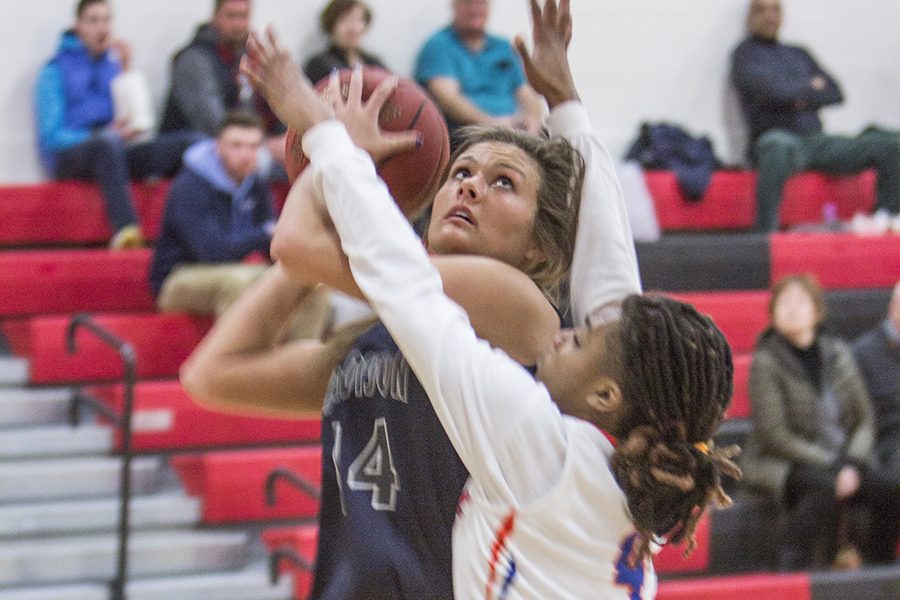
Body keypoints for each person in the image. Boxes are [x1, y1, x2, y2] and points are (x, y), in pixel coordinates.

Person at [184, 1, 736, 596]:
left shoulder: (518, 329)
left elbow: (340, 259)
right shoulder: (595, 448)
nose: (470, 183)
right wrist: (567, 105)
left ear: (542, 254)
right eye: (460, 171)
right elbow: (612, 274)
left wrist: (330, 144)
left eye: (504, 183)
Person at [739, 274, 898, 570]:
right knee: (823, 486)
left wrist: (852, 460)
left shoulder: (838, 353)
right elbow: (775, 436)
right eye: (784, 302)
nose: (792, 309)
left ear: (817, 311)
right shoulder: (765, 362)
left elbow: (864, 418)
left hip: (840, 458)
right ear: (772, 313)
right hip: (782, 461)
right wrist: (833, 463)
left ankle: (880, 568)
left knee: (889, 485)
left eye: (801, 301)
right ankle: (791, 570)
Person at [149, 110, 332, 335]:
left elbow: (272, 246)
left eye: (253, 146)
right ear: (218, 146)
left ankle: (298, 366)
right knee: (242, 281)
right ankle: (239, 366)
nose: (246, 154)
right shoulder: (190, 186)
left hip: (234, 268)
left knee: (310, 284)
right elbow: (211, 251)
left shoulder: (255, 184)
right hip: (178, 278)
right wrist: (264, 234)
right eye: (236, 146)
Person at [34, 0, 199, 249]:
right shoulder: (54, 70)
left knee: (189, 143)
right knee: (107, 144)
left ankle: (184, 230)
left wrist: (126, 68)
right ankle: (126, 228)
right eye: (93, 20)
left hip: (113, 152)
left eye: (106, 20)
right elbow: (51, 137)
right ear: (78, 26)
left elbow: (139, 121)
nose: (102, 28)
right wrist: (101, 135)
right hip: (71, 156)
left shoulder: (112, 67)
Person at [731, 0, 900, 232]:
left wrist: (791, 92)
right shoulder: (745, 55)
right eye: (761, 10)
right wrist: (809, 88)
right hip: (780, 140)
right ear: (750, 17)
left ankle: (885, 224)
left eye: (776, 9)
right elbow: (770, 92)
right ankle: (764, 237)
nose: (770, 16)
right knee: (776, 147)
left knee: (890, 144)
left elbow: (834, 92)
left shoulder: (799, 53)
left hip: (815, 140)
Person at [159, 0, 287, 178]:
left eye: (243, 16)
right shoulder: (193, 60)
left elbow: (268, 107)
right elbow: (212, 123)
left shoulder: (248, 57)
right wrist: (263, 146)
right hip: (199, 152)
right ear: (215, 18)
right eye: (231, 16)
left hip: (244, 144)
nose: (238, 25)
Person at [414, 0, 544, 137]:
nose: (475, 9)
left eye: (481, 2)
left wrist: (532, 120)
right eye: (468, 3)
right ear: (454, 5)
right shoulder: (438, 46)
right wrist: (493, 125)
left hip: (513, 133)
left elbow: (528, 92)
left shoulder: (504, 46)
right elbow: (448, 99)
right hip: (468, 136)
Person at [852, 281, 900, 565]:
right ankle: (878, 563)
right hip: (883, 442)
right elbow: (859, 417)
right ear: (892, 308)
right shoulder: (863, 352)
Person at [303, 0, 387, 85]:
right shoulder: (319, 64)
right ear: (331, 24)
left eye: (358, 19)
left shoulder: (374, 62)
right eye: (344, 20)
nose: (353, 28)